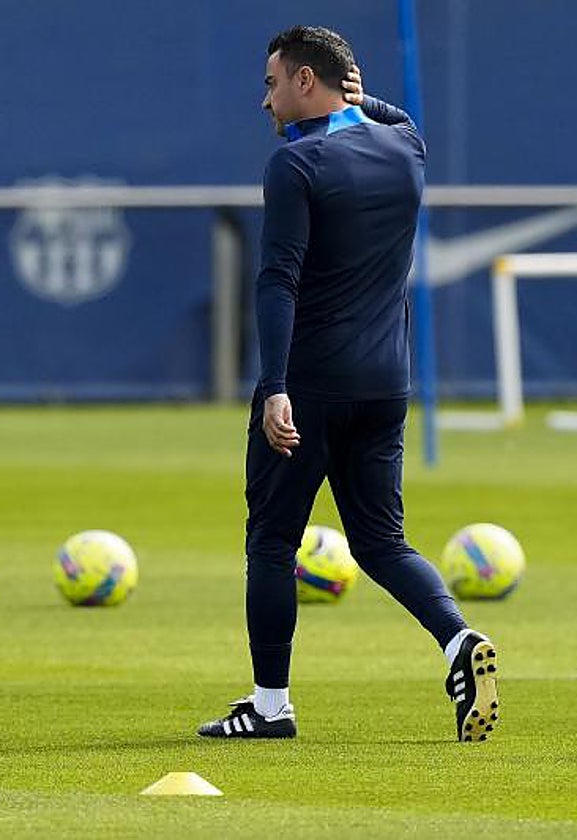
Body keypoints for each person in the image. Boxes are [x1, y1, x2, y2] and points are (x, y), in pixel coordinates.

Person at [198, 26, 498, 742]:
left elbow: (278, 280)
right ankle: (459, 642)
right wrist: (366, 99)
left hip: (309, 386)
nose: (264, 98)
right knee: (383, 543)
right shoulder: (407, 149)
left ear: (307, 82)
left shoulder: (296, 163)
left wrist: (273, 385)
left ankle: (270, 706)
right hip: (386, 383)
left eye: (273, 82)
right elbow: (389, 116)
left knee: (271, 543)